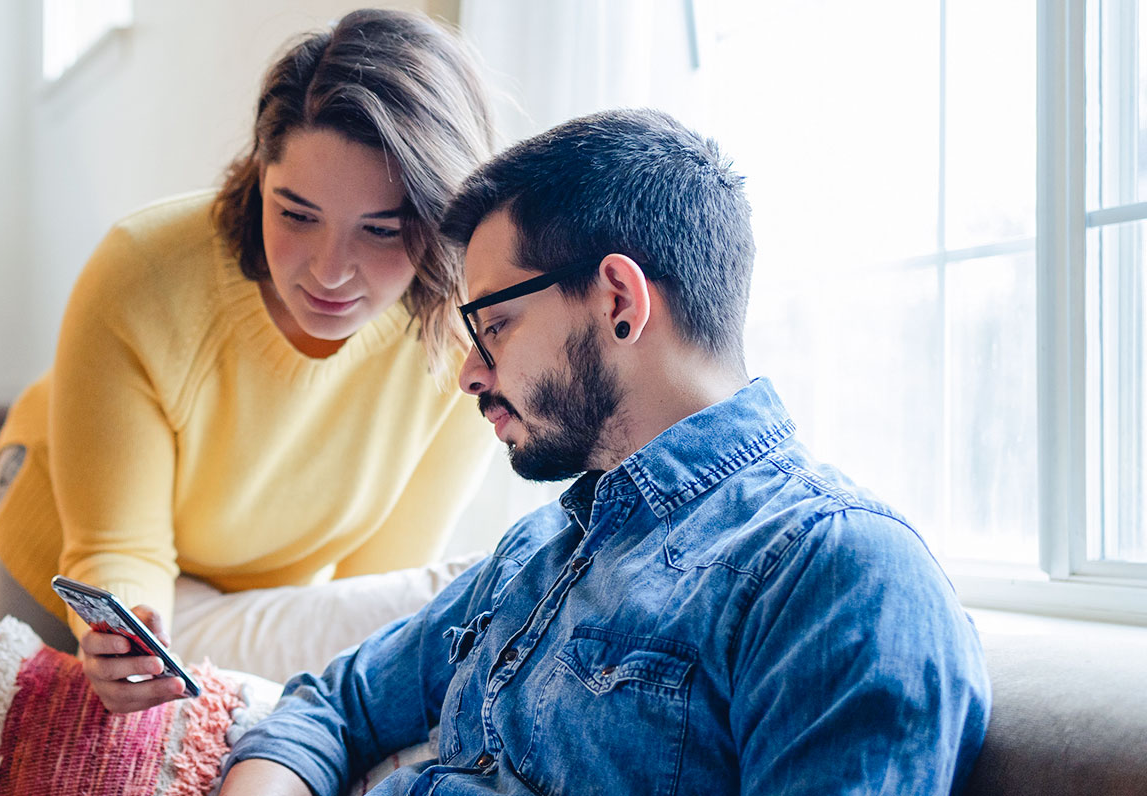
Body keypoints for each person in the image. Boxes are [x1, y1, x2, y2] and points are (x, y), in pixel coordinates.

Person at [219, 108, 992, 795]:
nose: (470, 374)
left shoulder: (832, 571)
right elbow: (333, 706)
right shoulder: (539, 551)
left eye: (494, 326)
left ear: (619, 301)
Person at [0, 8, 504, 713]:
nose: (328, 271)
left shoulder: (466, 350)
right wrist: (128, 639)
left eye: (380, 231)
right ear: (260, 175)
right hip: (66, 530)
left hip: (252, 580)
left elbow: (371, 595)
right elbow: (118, 547)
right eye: (295, 213)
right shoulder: (143, 275)